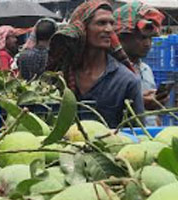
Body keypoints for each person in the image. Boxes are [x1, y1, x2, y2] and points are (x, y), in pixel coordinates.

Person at [48, 0, 143, 128]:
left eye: (111, 23)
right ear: (82, 28)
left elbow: (137, 132)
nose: (109, 29)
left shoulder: (126, 81)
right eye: (101, 23)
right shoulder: (60, 76)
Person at [114, 1, 166, 126]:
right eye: (142, 38)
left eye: (151, 38)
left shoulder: (146, 70)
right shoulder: (110, 71)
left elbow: (154, 116)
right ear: (122, 37)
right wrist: (139, 103)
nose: (148, 44)